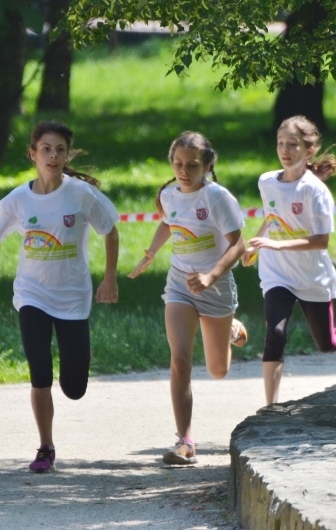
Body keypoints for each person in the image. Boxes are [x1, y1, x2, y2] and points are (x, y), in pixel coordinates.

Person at [0, 120, 120, 473]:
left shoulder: (81, 195)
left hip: (73, 297)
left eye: (60, 150)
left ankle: (77, 364)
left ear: (68, 155)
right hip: (32, 294)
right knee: (39, 373)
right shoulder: (18, 200)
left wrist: (109, 277)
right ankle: (45, 448)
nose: (53, 156)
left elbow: (110, 233)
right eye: (46, 150)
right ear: (32, 154)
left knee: (74, 387)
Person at [128, 131, 248, 466]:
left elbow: (239, 245)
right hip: (180, 283)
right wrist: (151, 252)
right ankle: (185, 442)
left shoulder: (217, 199)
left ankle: (231, 329)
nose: (184, 170)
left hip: (216, 287)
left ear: (208, 165)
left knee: (218, 369)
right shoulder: (168, 195)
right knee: (180, 360)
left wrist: (211, 276)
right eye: (178, 163)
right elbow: (169, 223)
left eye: (192, 165)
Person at [242, 115, 336, 406]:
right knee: (275, 333)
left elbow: (321, 241)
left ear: (309, 150)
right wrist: (257, 246)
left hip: (312, 277)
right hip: (277, 274)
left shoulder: (315, 191)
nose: (285, 151)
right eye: (280, 143)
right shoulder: (266, 182)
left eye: (293, 145)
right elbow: (272, 216)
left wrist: (277, 243)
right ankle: (271, 408)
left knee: (326, 344)